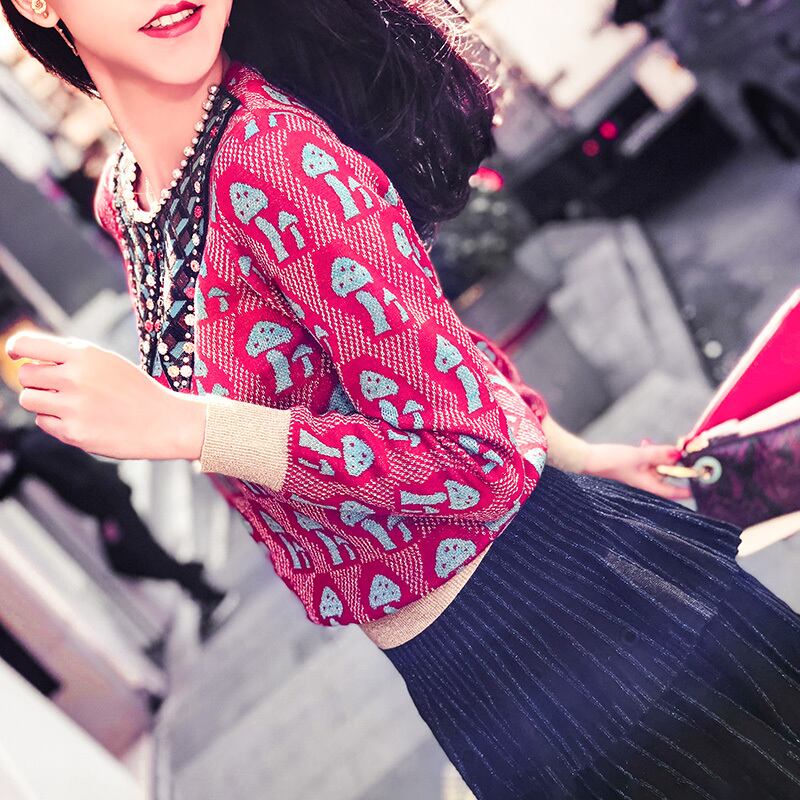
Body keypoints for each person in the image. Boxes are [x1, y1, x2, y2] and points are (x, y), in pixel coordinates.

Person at [1, 1, 798, 797]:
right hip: (468, 678)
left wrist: (192, 427)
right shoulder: (129, 198)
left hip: (574, 619)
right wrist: (577, 454)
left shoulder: (272, 155)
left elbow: (473, 462)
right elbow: (418, 341)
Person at [0, 407, 237, 642]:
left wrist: (105, 515)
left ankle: (207, 592)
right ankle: (202, 592)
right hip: (110, 496)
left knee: (135, 558)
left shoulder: (29, 453)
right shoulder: (34, 438)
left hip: (109, 503)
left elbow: (75, 481)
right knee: (142, 556)